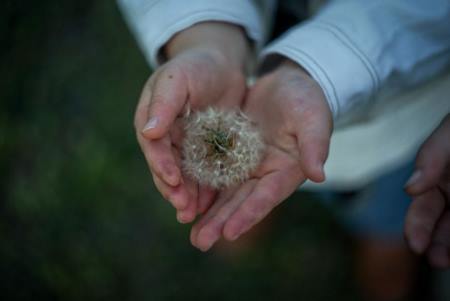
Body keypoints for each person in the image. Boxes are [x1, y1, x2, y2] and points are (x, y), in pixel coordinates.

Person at [117, 1, 450, 298]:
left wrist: (317, 69)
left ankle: (385, 263)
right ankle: (256, 219)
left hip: (392, 139)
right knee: (254, 195)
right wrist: (205, 35)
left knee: (389, 236)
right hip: (259, 112)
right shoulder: (236, 133)